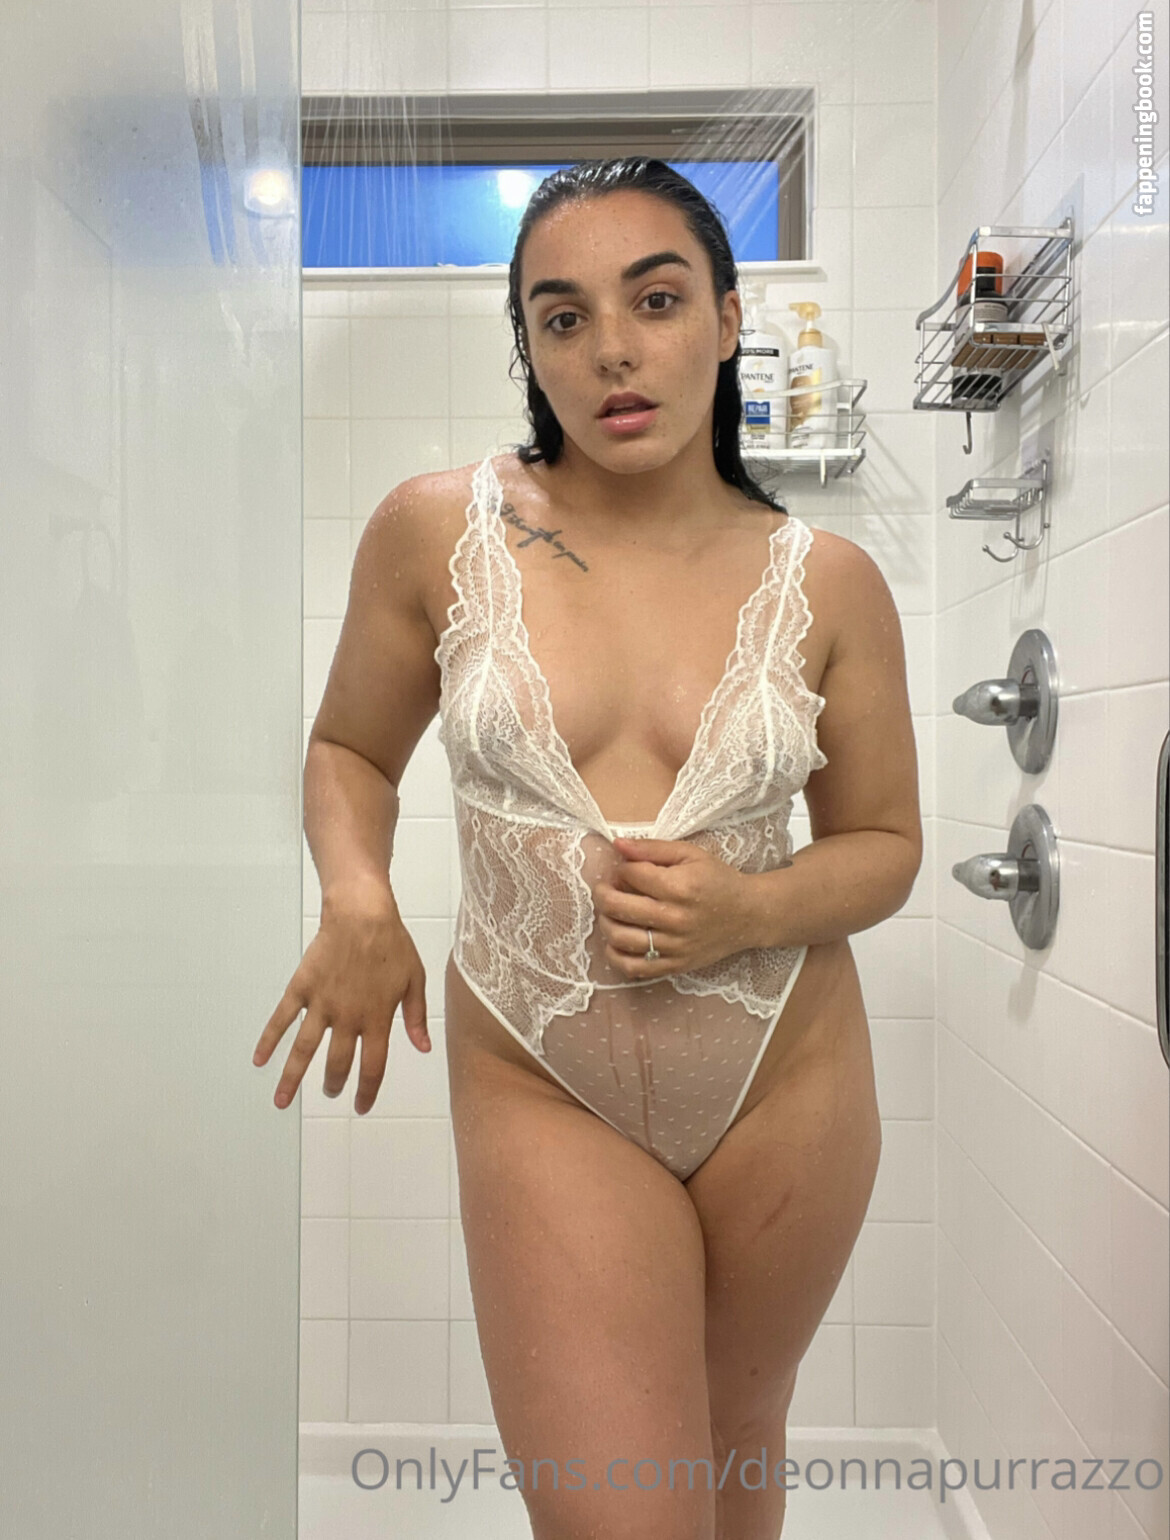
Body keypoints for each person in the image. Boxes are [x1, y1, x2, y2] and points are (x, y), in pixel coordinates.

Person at [254, 158, 922, 1540]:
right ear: (531, 349)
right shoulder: (433, 532)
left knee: (736, 1441)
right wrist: (358, 897)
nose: (612, 348)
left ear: (727, 322)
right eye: (562, 317)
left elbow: (885, 845)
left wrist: (750, 908)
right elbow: (349, 751)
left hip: (783, 1069)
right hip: (539, 1069)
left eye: (655, 300)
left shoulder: (831, 584)